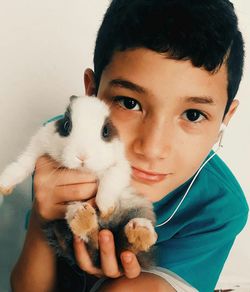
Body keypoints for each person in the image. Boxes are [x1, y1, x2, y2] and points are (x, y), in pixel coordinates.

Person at [10, 0, 249, 291]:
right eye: (129, 103)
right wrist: (41, 215)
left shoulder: (219, 207)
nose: (152, 148)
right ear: (91, 93)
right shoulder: (64, 150)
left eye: (193, 115)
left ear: (226, 118)